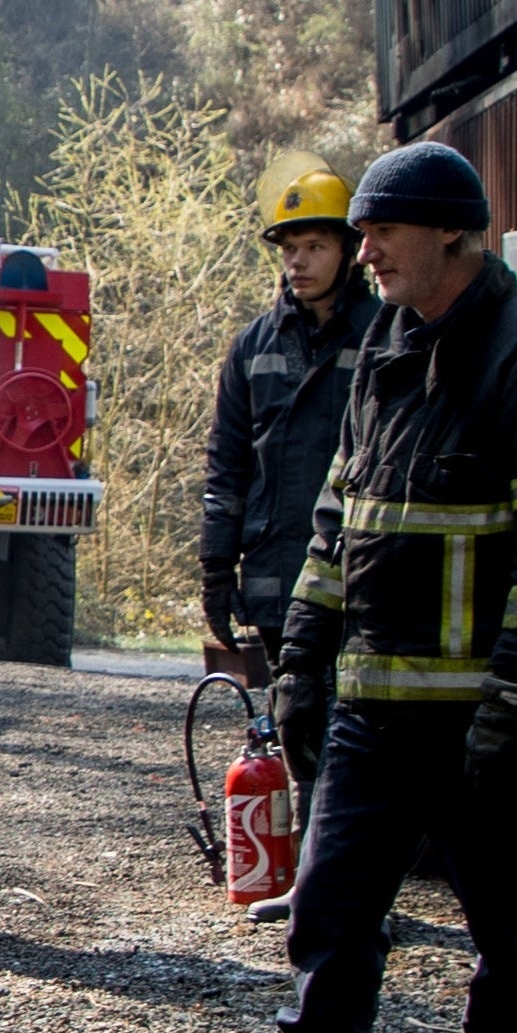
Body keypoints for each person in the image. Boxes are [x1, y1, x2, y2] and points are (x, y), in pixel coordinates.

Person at [184, 142, 517, 1033]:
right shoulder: (387, 349)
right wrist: (307, 657)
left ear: (452, 237)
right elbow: (342, 516)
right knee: (328, 915)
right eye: (360, 232)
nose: (360, 250)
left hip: (487, 718)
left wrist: (515, 700)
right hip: (373, 713)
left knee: (513, 938)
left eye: (381, 231)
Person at [200, 153, 382, 671]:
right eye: (290, 249)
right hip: (276, 575)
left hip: (358, 580)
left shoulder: (385, 335)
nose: (297, 262)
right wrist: (215, 569)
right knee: (290, 726)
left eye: (315, 247)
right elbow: (228, 467)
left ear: (350, 251)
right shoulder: (253, 346)